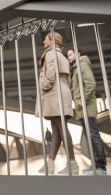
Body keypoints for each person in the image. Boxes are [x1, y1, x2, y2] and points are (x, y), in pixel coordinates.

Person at [35, 32, 79, 175]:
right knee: (57, 131)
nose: (43, 42)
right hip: (62, 92)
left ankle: (72, 164)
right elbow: (69, 80)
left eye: (45, 39)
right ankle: (50, 164)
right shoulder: (63, 56)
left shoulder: (50, 53)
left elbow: (51, 72)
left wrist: (44, 86)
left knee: (61, 128)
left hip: (54, 93)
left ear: (53, 41)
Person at [67, 48, 107, 175]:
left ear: (78, 54)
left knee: (94, 136)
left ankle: (101, 167)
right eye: (67, 55)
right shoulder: (75, 68)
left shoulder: (82, 64)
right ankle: (95, 165)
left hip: (87, 108)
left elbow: (91, 84)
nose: (68, 57)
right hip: (82, 109)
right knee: (90, 136)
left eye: (70, 54)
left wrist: (80, 101)